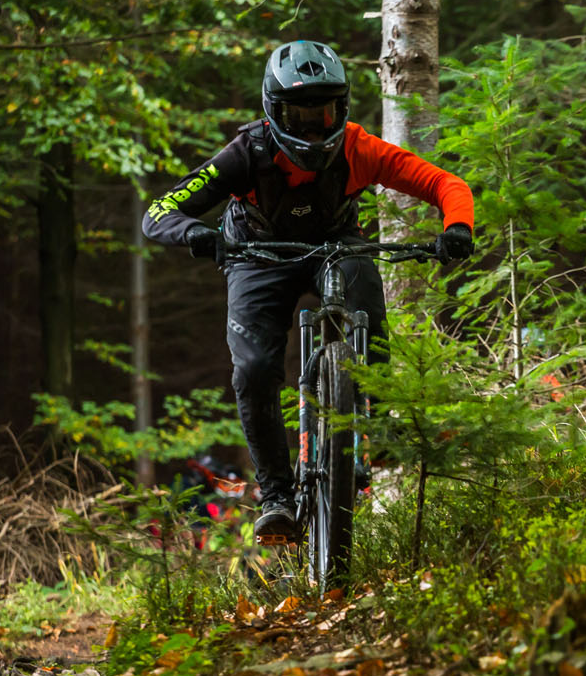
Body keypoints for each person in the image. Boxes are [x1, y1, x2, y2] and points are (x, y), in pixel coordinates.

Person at [142, 39, 475, 542]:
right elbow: (158, 212)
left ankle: (374, 423)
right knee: (254, 369)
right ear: (273, 111)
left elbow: (447, 185)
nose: (314, 125)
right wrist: (194, 234)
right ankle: (276, 495)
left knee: (362, 282)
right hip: (256, 253)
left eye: (325, 111)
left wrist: (457, 229)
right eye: (299, 114)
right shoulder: (244, 155)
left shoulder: (359, 148)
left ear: (342, 108)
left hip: (333, 245)